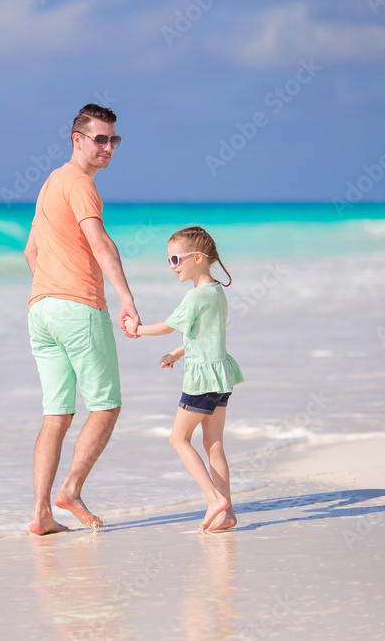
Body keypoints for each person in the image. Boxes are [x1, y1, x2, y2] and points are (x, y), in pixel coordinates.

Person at [23, 103, 139, 535]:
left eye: (114, 140)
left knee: (56, 414)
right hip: (78, 308)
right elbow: (101, 242)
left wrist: (52, 289)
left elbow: (30, 252)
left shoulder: (51, 182)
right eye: (100, 139)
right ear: (78, 139)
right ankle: (70, 490)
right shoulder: (80, 184)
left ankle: (40, 514)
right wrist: (126, 298)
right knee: (107, 406)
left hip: (41, 310)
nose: (108, 147)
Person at [123, 226, 243, 532]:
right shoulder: (216, 291)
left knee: (178, 439)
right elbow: (204, 334)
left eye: (176, 259)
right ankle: (226, 513)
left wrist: (136, 330)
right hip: (221, 376)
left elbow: (166, 326)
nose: (173, 266)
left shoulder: (195, 296)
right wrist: (179, 352)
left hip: (202, 381)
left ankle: (215, 499)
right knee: (213, 445)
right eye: (169, 260)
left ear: (198, 258)